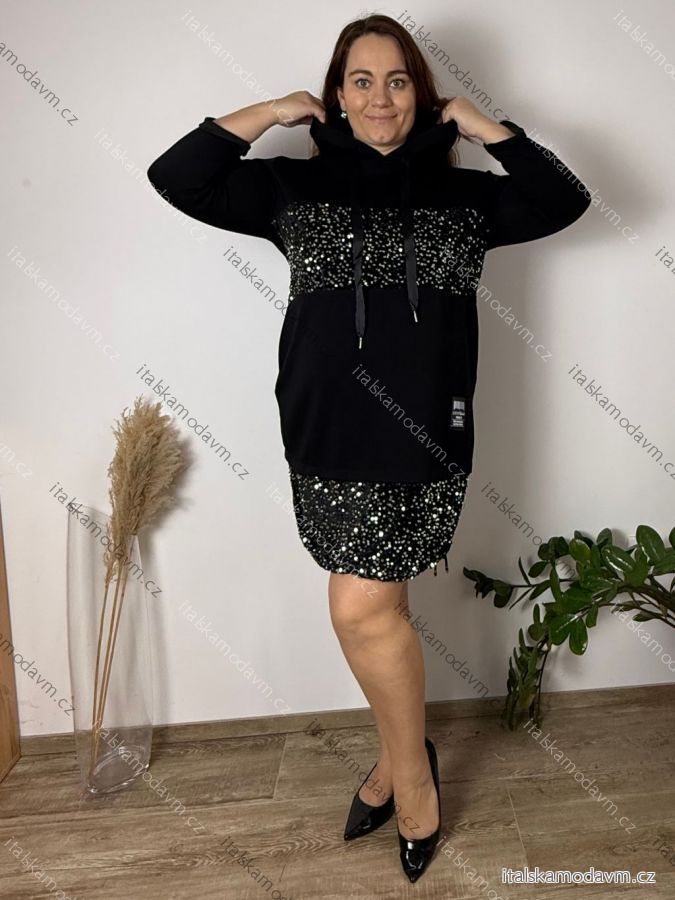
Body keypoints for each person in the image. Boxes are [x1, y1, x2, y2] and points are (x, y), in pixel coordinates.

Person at [146, 13, 591, 884]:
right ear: (338, 95)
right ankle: (397, 755)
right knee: (378, 609)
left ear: (420, 94)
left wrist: (486, 127)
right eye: (361, 80)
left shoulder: (467, 200)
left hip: (423, 434)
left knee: (362, 610)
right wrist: (270, 110)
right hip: (323, 430)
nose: (380, 97)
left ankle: (410, 777)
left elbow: (564, 199)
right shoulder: (291, 188)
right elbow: (178, 175)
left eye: (397, 81)